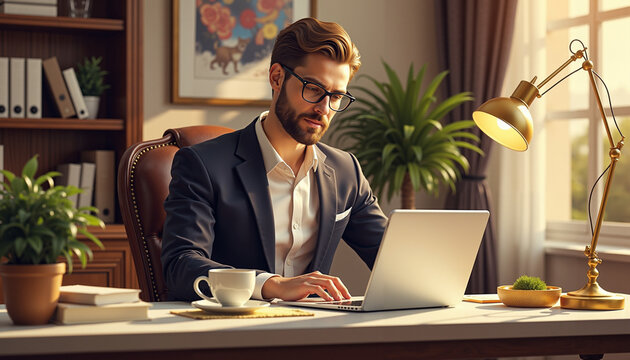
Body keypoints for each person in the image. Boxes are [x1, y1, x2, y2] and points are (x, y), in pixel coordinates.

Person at [161, 17, 388, 302]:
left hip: (314, 333)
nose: (324, 109)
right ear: (277, 77)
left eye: (337, 96)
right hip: (229, 332)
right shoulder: (202, 165)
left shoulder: (345, 172)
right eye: (314, 89)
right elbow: (180, 265)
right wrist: (272, 285)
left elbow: (393, 258)